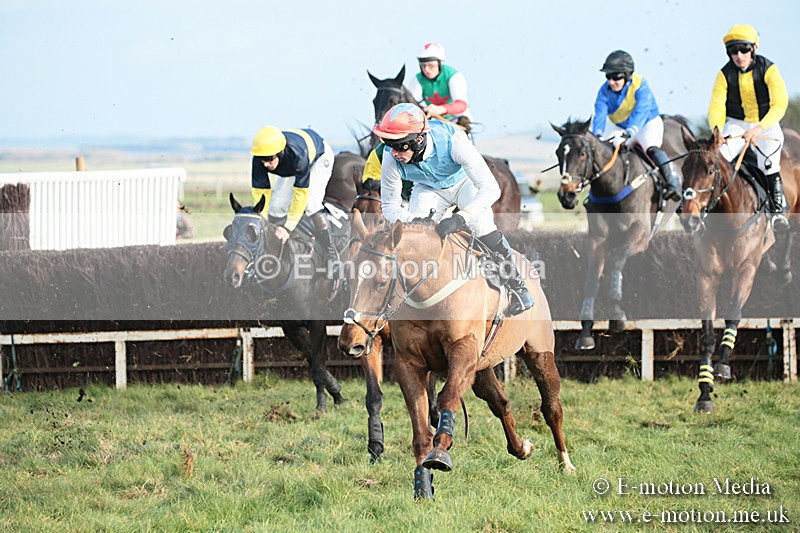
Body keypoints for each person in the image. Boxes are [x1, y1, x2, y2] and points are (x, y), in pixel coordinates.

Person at [372, 102, 533, 316]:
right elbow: (390, 206)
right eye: (388, 143)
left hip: (463, 183)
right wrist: (415, 222)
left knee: (481, 226)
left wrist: (462, 218)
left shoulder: (454, 141)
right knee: (416, 237)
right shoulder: (390, 156)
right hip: (427, 188)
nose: (393, 152)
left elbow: (490, 188)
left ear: (418, 140)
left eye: (399, 145)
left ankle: (517, 287)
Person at [708, 24, 790, 232]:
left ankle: (777, 212)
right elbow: (717, 106)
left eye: (743, 49)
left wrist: (759, 128)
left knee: (769, 163)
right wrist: (717, 131)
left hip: (766, 123)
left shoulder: (769, 69)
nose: (739, 55)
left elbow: (779, 104)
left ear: (753, 49)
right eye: (733, 51)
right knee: (716, 158)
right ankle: (709, 209)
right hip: (737, 124)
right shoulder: (723, 74)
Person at [592, 50, 682, 202]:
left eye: (616, 77)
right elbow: (600, 114)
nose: (611, 81)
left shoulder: (641, 86)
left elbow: (640, 113)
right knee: (603, 151)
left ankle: (671, 182)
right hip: (619, 126)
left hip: (646, 124)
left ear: (627, 75)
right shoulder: (603, 91)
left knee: (650, 147)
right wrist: (598, 135)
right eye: (608, 77)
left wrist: (629, 133)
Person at [249, 125, 339, 267]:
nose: (266, 164)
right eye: (262, 159)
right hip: (290, 162)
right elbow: (261, 194)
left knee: (311, 203)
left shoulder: (298, 157)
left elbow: (300, 195)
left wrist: (287, 228)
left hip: (319, 157)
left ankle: (331, 254)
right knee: (276, 206)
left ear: (279, 153)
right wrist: (262, 222)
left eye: (269, 159)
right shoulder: (259, 159)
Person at [408, 42, 473, 133]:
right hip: (434, 122)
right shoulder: (417, 79)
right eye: (423, 66)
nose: (426, 69)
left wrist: (440, 109)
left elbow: (461, 104)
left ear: (439, 64)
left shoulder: (454, 76)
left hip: (458, 121)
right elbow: (411, 104)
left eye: (431, 65)